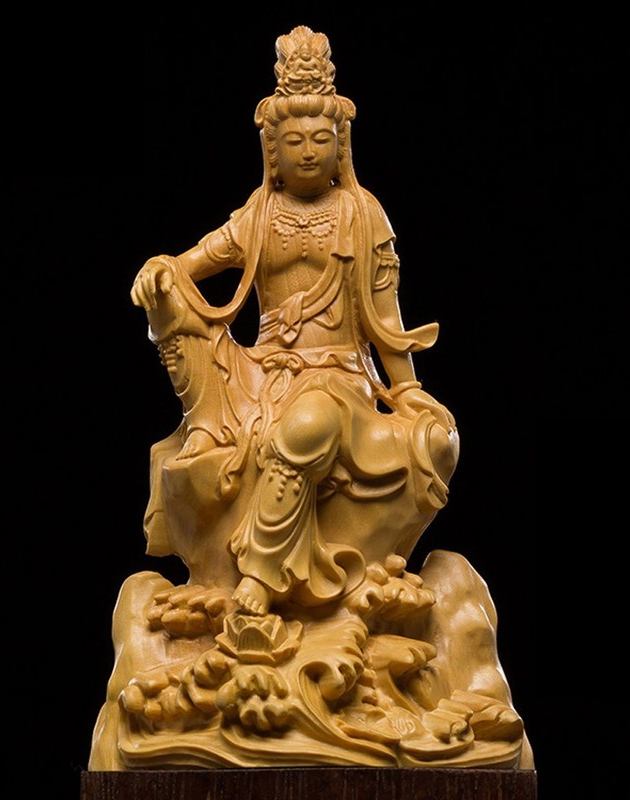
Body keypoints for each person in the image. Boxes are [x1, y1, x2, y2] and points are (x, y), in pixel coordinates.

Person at [130, 25, 459, 617]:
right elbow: (193, 262)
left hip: (337, 378)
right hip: (260, 373)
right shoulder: (260, 213)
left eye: (321, 138)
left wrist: (408, 389)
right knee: (169, 297)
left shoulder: (363, 214)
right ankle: (206, 431)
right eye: (295, 140)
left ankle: (259, 574)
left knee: (309, 425)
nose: (309, 150)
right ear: (272, 152)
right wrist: (161, 269)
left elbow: (386, 316)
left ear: (341, 145)